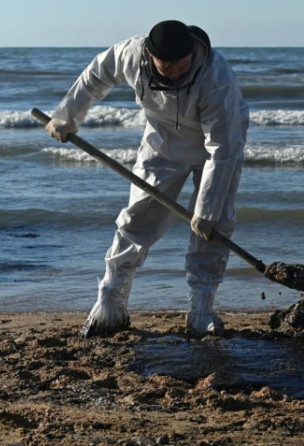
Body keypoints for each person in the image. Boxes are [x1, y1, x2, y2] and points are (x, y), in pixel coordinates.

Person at [45, 20, 250, 337]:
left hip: (219, 145)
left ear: (191, 55)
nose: (174, 72)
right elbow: (96, 75)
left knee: (215, 226)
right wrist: (66, 116)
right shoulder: (131, 54)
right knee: (137, 218)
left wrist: (206, 212)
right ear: (150, 55)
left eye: (181, 66)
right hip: (162, 141)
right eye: (165, 66)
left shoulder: (215, 78)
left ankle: (201, 311)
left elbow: (222, 150)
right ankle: (111, 301)